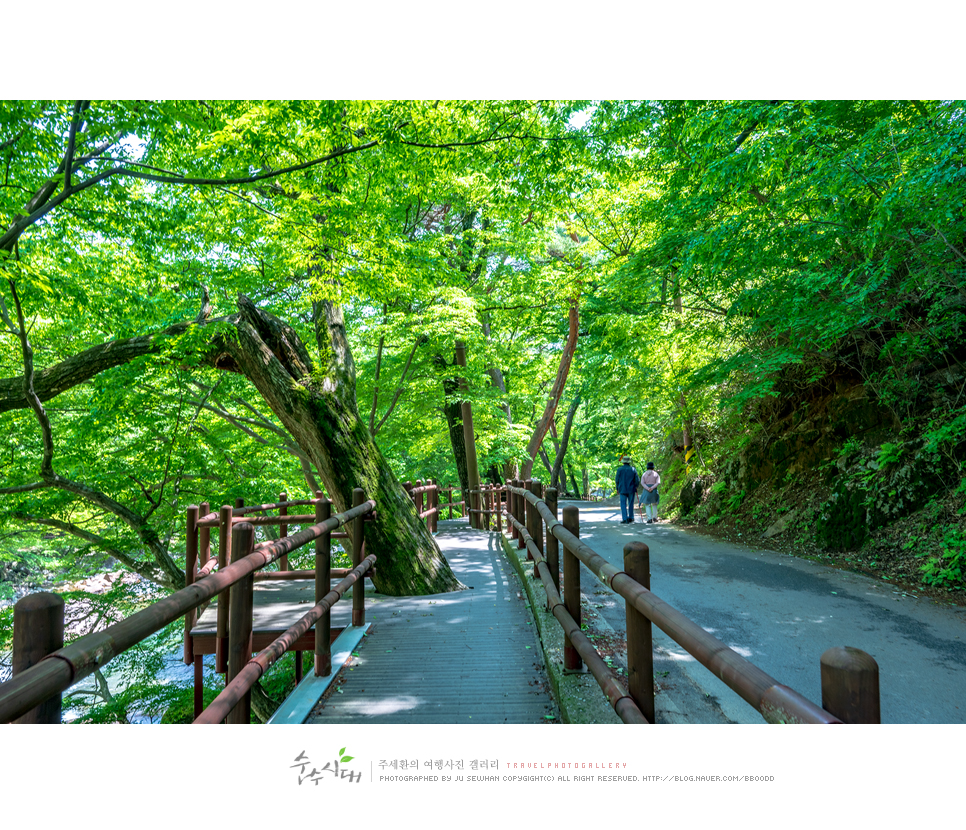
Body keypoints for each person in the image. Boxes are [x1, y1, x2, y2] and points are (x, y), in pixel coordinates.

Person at [615, 455, 640, 524]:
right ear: (629, 462)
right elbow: (637, 480)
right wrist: (636, 486)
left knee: (623, 503)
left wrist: (617, 488)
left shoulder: (619, 469)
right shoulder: (633, 469)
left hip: (622, 489)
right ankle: (631, 517)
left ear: (623, 462)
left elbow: (617, 480)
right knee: (631, 503)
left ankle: (625, 518)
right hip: (631, 489)